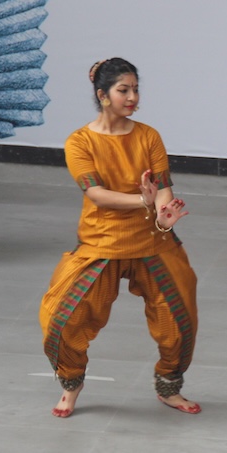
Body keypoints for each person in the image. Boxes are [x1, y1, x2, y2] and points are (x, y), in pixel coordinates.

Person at [39, 57, 201, 418]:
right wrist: (142, 200)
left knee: (179, 322)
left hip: (152, 242)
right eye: (123, 90)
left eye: (135, 90)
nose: (132, 97)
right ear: (103, 95)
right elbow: (96, 194)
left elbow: (162, 191)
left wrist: (162, 217)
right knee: (62, 321)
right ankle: (71, 382)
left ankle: (169, 386)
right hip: (102, 243)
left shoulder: (148, 136)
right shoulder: (80, 141)